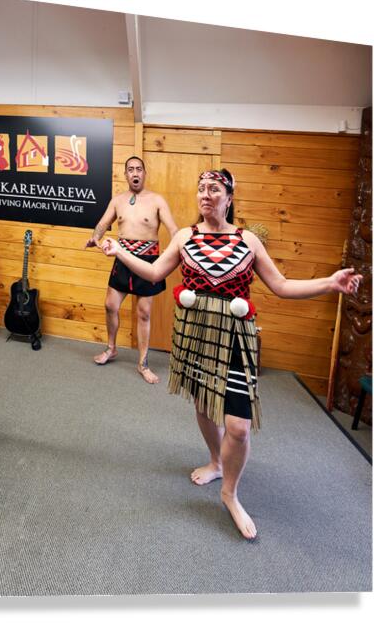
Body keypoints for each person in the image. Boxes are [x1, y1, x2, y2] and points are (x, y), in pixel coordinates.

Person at [99, 168, 362, 539]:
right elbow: (156, 272)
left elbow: (282, 286)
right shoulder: (185, 237)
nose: (205, 194)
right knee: (205, 406)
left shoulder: (248, 241)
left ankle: (230, 494)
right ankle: (215, 461)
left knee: (238, 426)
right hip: (195, 334)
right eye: (201, 188)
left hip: (237, 337)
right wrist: (121, 251)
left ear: (230, 197)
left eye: (214, 189)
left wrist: (330, 283)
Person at [85, 156, 178, 384]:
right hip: (123, 259)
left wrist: (173, 254)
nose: (135, 173)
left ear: (144, 174)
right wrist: (95, 237)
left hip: (148, 261)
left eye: (138, 169)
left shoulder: (157, 200)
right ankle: (111, 348)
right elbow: (103, 223)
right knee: (110, 305)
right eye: (130, 170)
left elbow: (174, 230)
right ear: (125, 175)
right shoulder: (118, 201)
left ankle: (143, 363)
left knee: (144, 313)